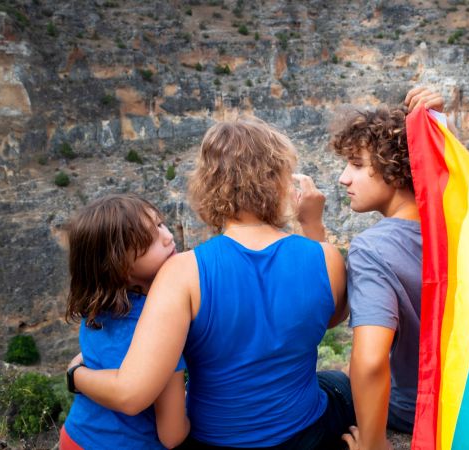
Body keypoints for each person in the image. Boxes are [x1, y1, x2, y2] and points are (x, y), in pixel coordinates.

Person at [68, 117, 355, 449]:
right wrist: (312, 225)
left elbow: (136, 388)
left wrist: (77, 375)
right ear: (280, 182)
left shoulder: (181, 273)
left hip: (215, 440)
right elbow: (332, 316)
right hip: (305, 434)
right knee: (339, 382)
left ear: (208, 185)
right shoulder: (327, 257)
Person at [295, 87, 446, 450]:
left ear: (395, 170)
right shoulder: (453, 226)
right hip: (459, 402)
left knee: (330, 382)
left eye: (357, 165)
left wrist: (374, 442)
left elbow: (371, 360)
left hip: (409, 410)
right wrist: (438, 127)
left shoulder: (372, 249)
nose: (344, 178)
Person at [61, 194, 188, 450]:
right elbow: (172, 435)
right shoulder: (161, 324)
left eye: (161, 224)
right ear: (120, 266)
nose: (168, 236)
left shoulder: (97, 309)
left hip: (75, 436)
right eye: (150, 239)